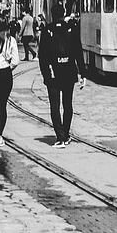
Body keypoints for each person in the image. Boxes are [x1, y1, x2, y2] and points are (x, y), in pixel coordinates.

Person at [39, 12, 86, 147]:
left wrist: (46, 74)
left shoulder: (47, 30)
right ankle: (66, 134)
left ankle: (60, 137)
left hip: (53, 74)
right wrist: (82, 73)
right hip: (69, 72)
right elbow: (78, 52)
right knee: (67, 104)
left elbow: (42, 55)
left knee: (54, 106)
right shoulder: (71, 29)